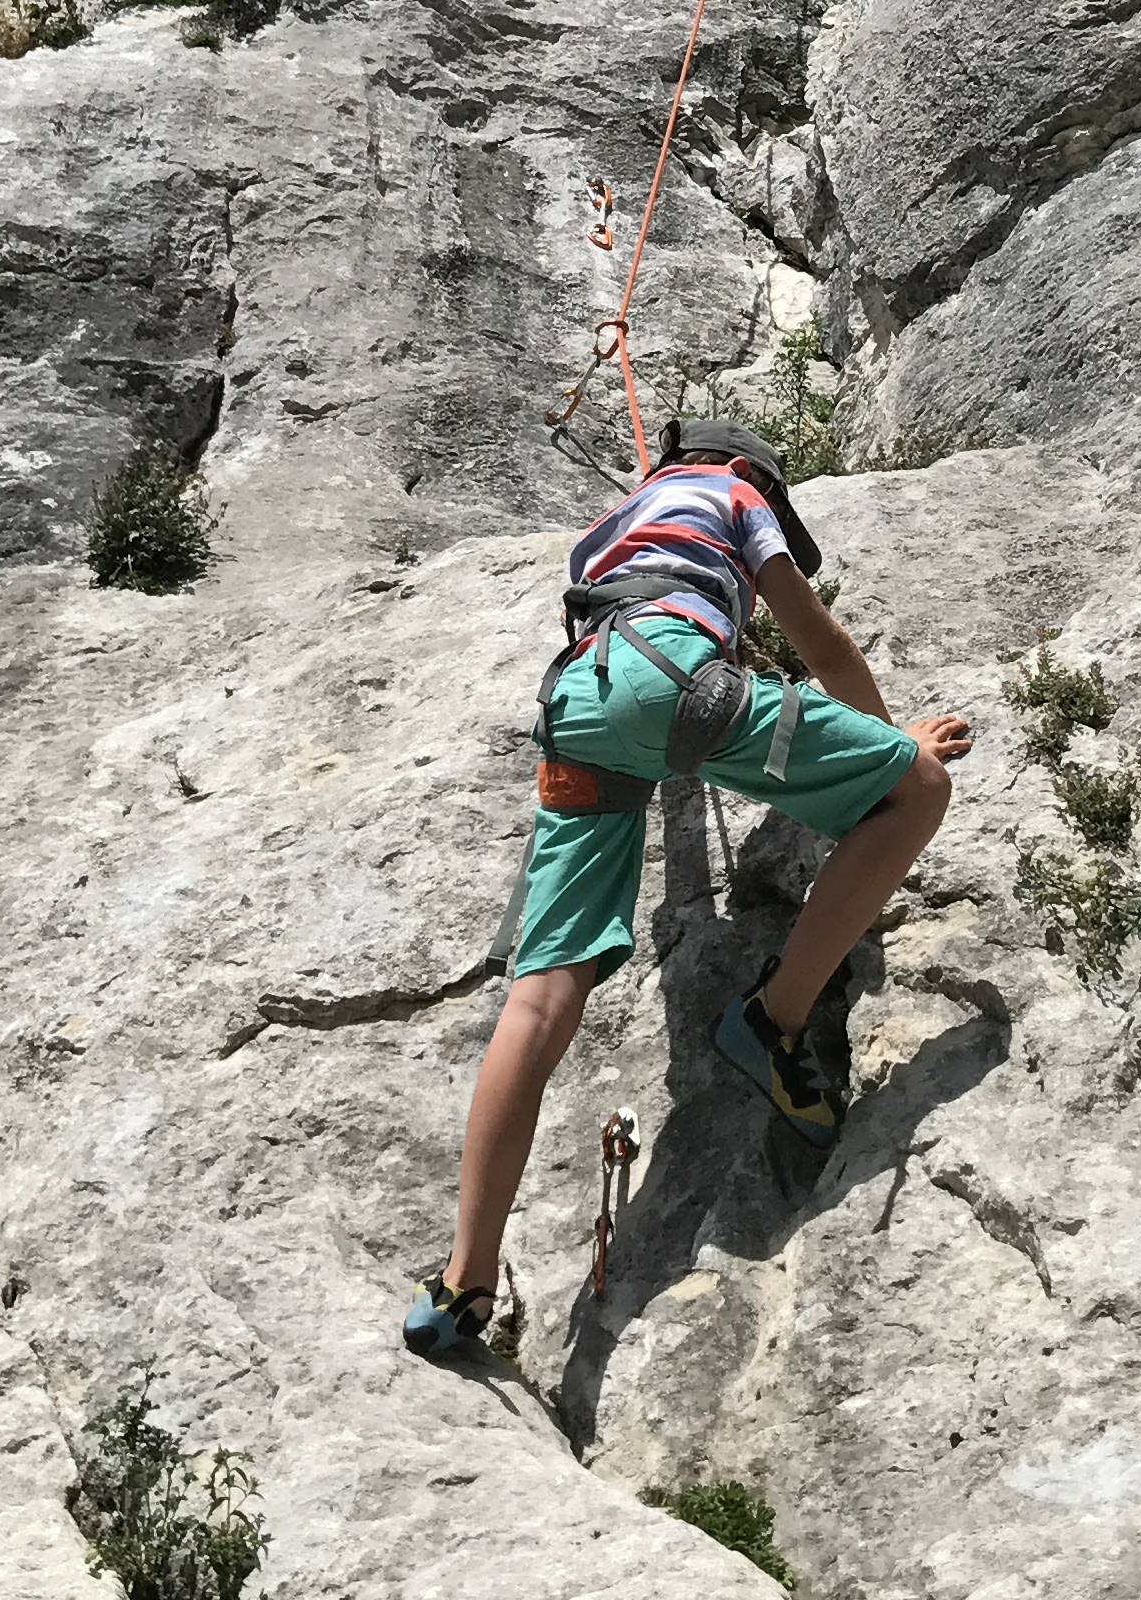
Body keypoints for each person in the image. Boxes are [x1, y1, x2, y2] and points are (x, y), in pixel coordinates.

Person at [403, 413, 970, 1360]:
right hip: (672, 683)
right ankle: (772, 1021)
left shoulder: (615, 524)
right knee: (917, 791)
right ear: (750, 472)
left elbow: (633, 657)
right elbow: (822, 646)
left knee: (540, 998)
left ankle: (462, 1281)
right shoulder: (740, 495)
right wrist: (891, 737)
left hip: (576, 706)